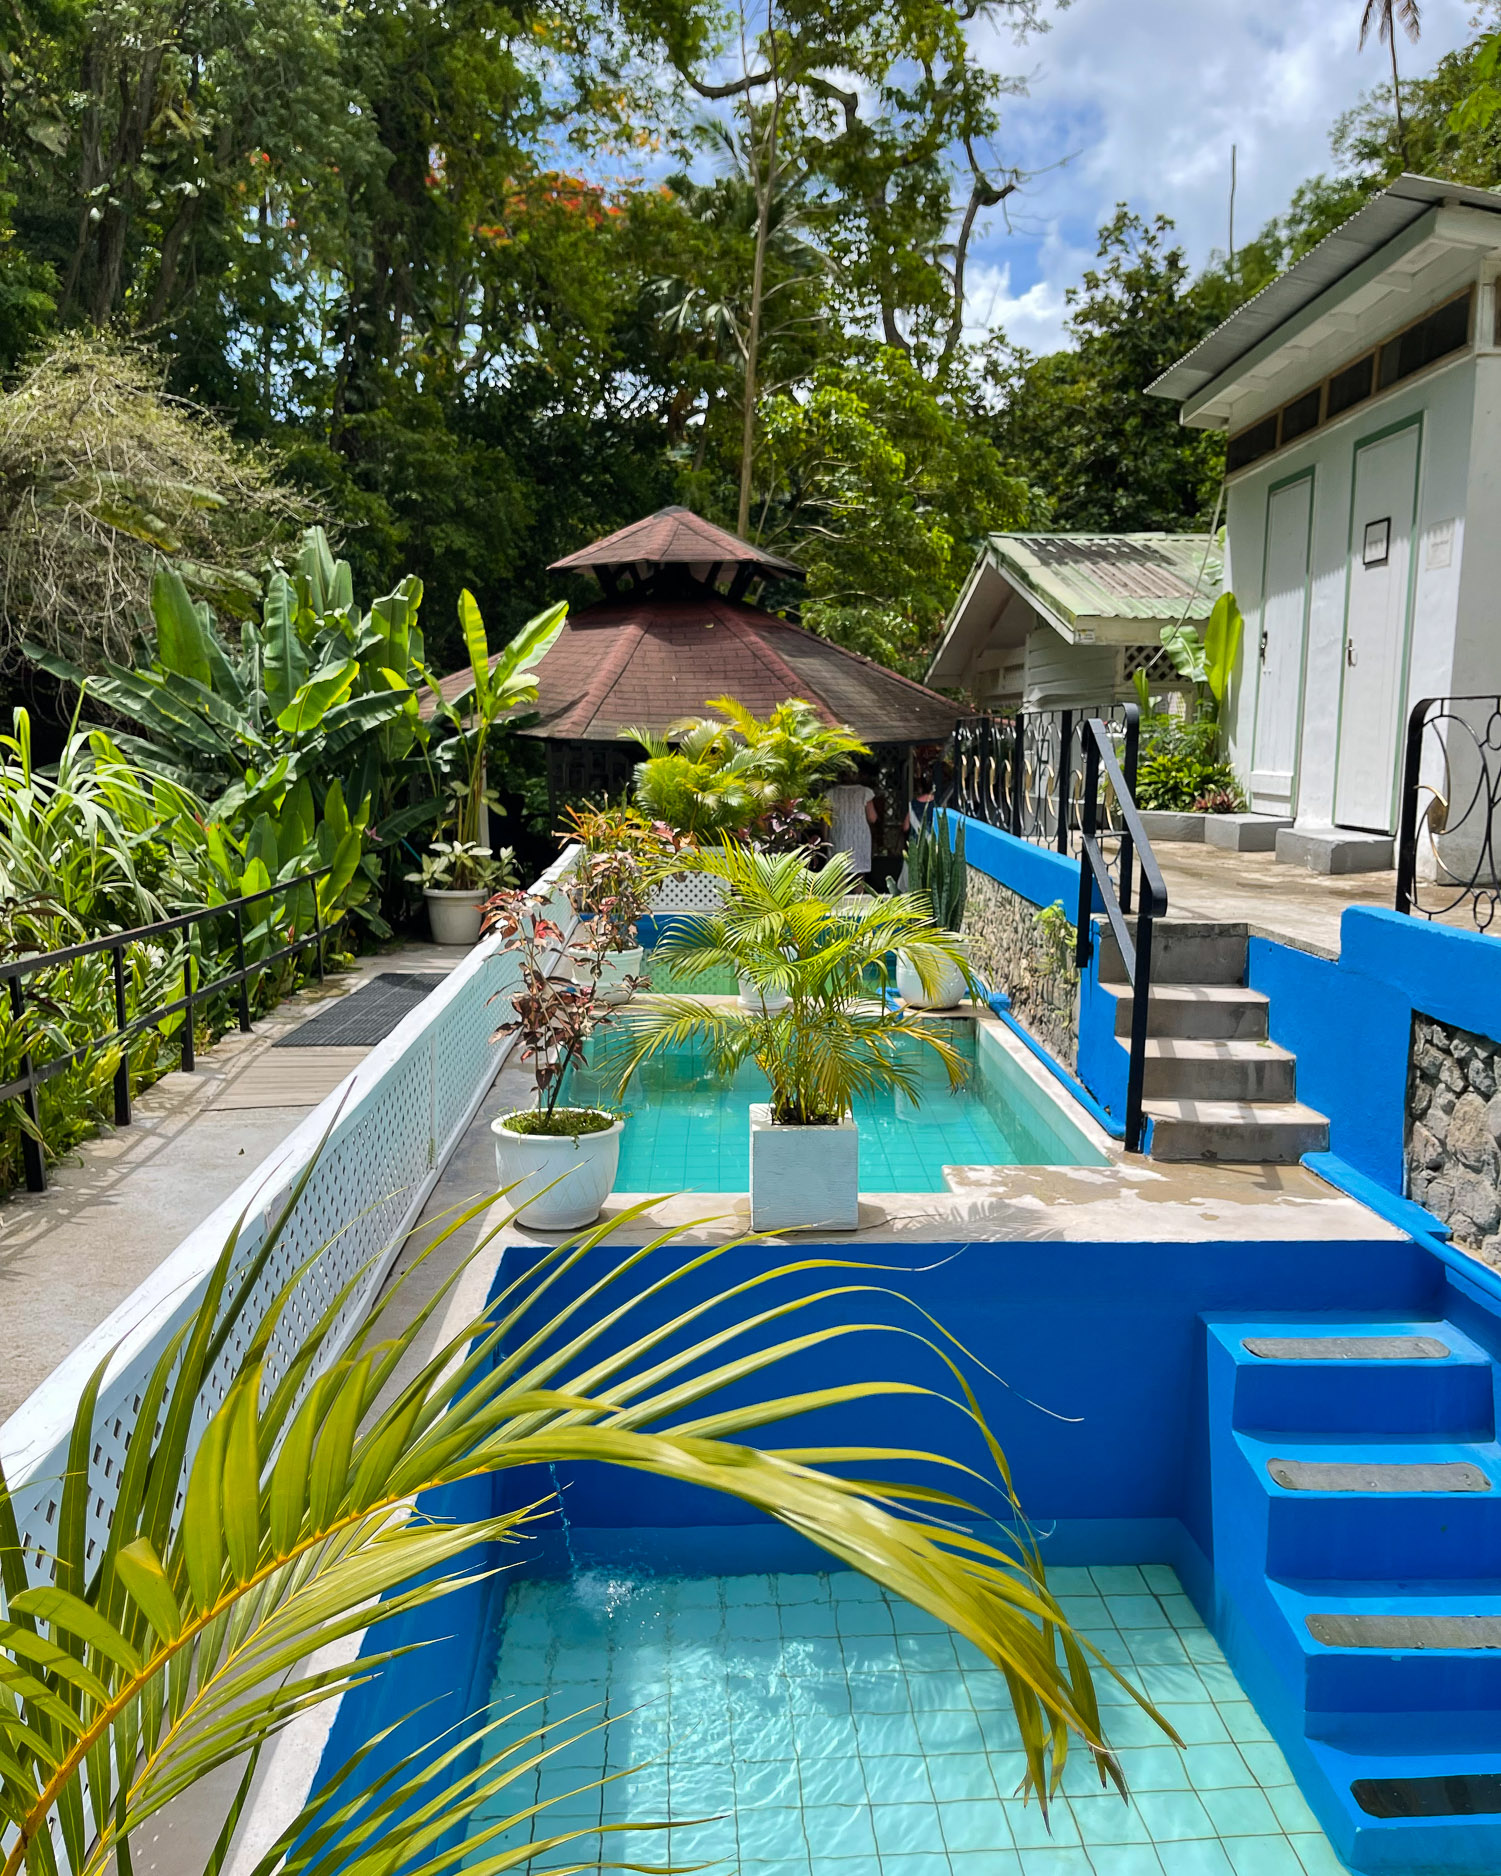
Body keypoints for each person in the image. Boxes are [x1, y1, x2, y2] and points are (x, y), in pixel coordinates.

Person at [826, 772, 879, 883]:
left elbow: (825, 821)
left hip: (838, 837)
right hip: (859, 838)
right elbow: (872, 818)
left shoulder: (831, 794)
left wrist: (826, 838)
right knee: (858, 876)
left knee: (839, 874)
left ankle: (839, 899)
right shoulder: (865, 792)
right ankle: (858, 898)